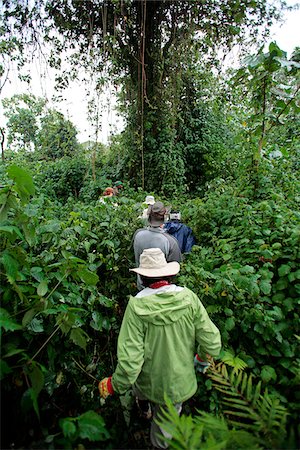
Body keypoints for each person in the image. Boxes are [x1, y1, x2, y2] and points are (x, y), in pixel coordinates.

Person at [98, 248, 221, 449]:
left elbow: (131, 362)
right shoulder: (189, 298)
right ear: (169, 273)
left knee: (141, 388)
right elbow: (211, 340)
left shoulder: (137, 306)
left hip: (147, 380)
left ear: (142, 277)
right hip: (176, 385)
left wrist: (114, 385)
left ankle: (144, 407)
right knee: (163, 433)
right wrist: (202, 359)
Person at [133, 201, 182, 290]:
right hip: (162, 291)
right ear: (165, 217)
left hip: (141, 287)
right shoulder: (170, 241)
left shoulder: (137, 234)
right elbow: (175, 269)